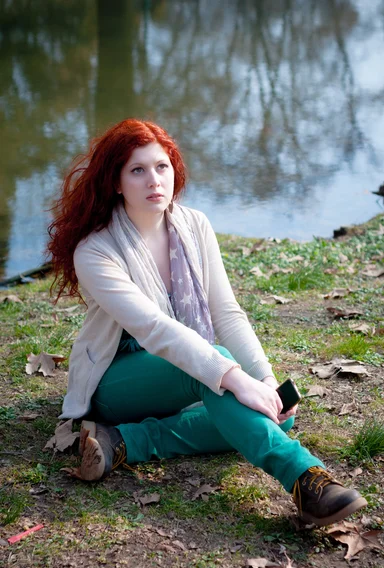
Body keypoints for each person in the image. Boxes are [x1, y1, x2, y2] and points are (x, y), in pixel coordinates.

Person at [48, 119, 367, 527]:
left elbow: (226, 311)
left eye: (162, 167)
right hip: (117, 379)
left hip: (183, 366)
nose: (154, 180)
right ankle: (306, 478)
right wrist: (234, 377)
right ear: (115, 181)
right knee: (223, 378)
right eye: (137, 170)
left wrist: (264, 380)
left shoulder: (194, 225)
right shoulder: (96, 251)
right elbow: (154, 329)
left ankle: (125, 441)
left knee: (265, 412)